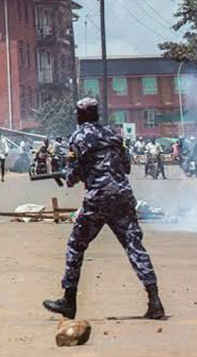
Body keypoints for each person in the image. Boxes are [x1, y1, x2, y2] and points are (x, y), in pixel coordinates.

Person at [43, 98, 165, 320]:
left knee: (76, 246)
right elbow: (126, 167)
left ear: (80, 115)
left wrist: (64, 174)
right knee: (133, 245)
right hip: (123, 196)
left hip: (98, 198)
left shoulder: (78, 137)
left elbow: (72, 177)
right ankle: (155, 301)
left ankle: (69, 301)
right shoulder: (113, 134)